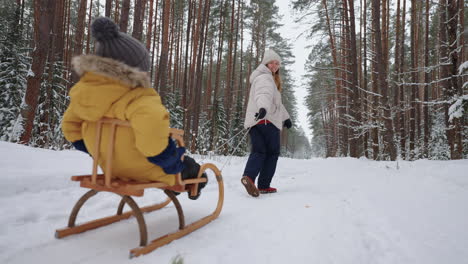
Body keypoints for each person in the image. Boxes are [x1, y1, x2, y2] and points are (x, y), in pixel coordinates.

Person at [61, 17, 206, 200]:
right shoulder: (140, 98)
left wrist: (95, 150)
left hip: (109, 168)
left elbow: (69, 127)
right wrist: (171, 162)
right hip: (144, 169)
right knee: (194, 169)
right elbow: (153, 142)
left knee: (175, 163)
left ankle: (174, 183)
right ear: (137, 70)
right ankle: (190, 187)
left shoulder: (82, 94)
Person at [241, 49, 292, 197]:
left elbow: (276, 104)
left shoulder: (264, 77)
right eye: (272, 62)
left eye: (277, 63)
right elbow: (263, 94)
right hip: (267, 120)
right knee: (272, 153)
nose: (275, 66)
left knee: (258, 151)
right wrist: (263, 107)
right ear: (265, 63)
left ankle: (249, 177)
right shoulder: (265, 78)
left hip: (256, 121)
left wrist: (285, 117)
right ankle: (263, 185)